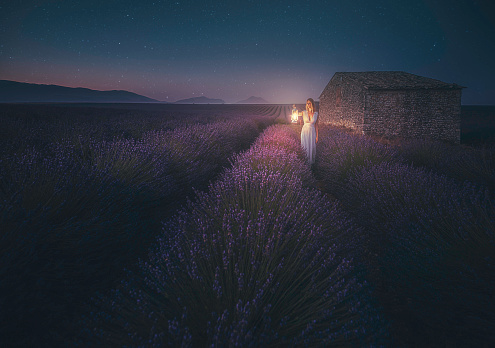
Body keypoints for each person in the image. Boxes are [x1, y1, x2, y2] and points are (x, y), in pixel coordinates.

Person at [301, 98, 318, 165]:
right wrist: (294, 111)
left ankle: (311, 164)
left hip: (312, 132)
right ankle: (304, 163)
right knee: (305, 146)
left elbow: (316, 125)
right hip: (305, 132)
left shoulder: (316, 114)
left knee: (312, 147)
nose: (308, 105)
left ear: (312, 104)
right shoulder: (304, 112)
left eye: (309, 103)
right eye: (307, 103)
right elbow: (295, 115)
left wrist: (317, 136)